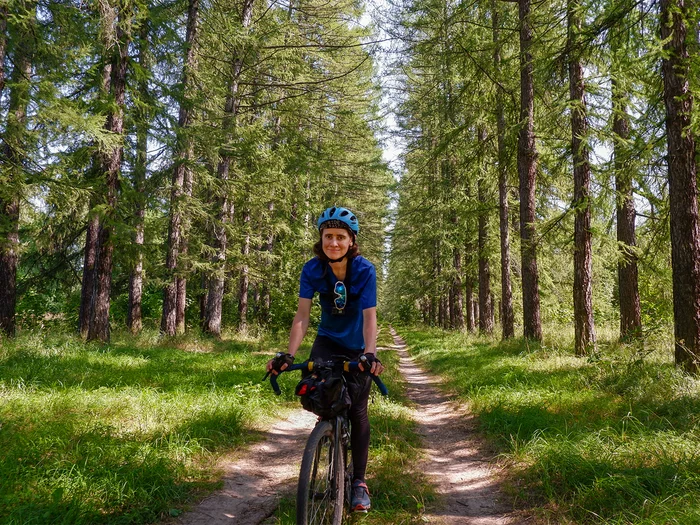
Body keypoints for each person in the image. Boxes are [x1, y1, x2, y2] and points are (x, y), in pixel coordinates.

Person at [266, 205, 384, 513]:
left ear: (351, 241)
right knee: (322, 396)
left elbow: (370, 317)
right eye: (328, 236)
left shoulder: (364, 269)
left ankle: (358, 482)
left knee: (357, 410)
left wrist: (370, 353)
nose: (333, 242)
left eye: (340, 237)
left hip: (357, 345)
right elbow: (302, 316)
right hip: (327, 342)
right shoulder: (313, 269)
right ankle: (327, 434)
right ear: (321, 239)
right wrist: (288, 354)